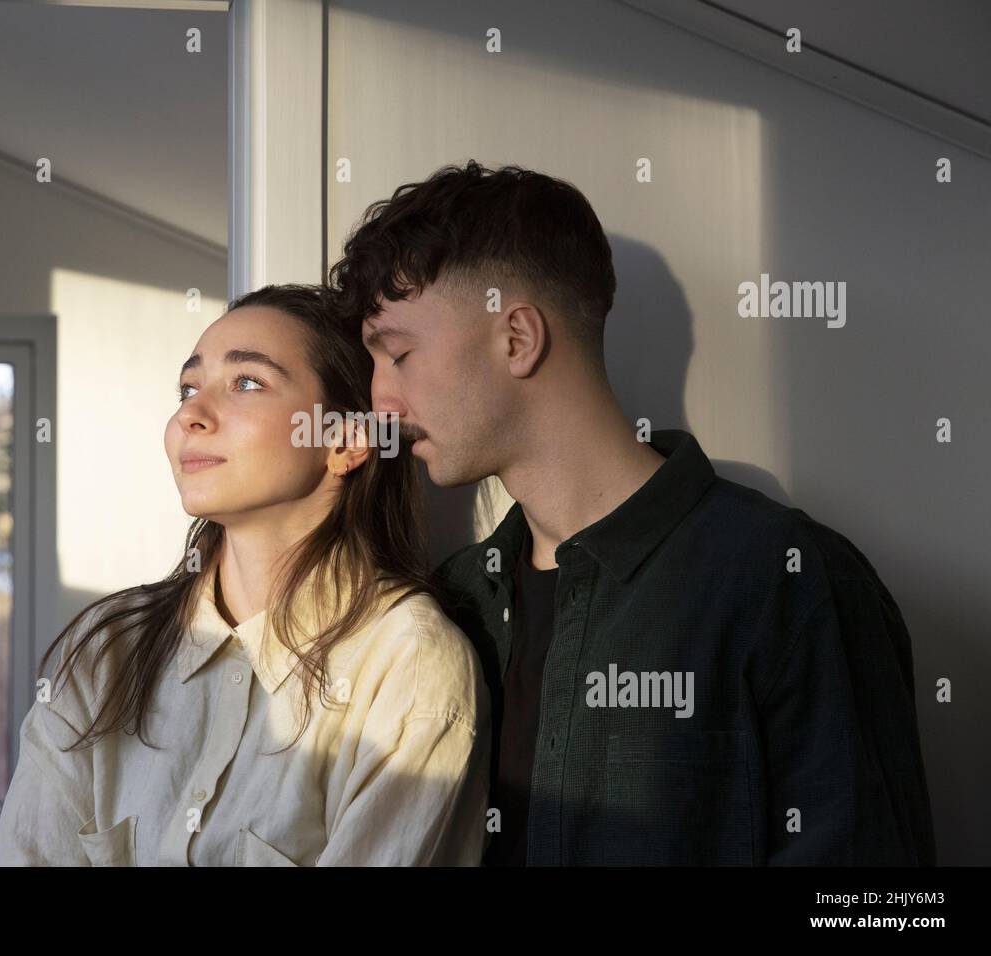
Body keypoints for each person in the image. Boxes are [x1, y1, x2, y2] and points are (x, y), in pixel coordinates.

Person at [329, 160, 936, 866]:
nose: (381, 402)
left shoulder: (784, 580)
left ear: (518, 339)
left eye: (398, 355)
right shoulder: (454, 601)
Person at [0, 283, 490, 866]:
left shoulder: (411, 664)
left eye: (247, 382)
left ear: (347, 439)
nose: (189, 415)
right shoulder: (105, 648)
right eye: (188, 387)